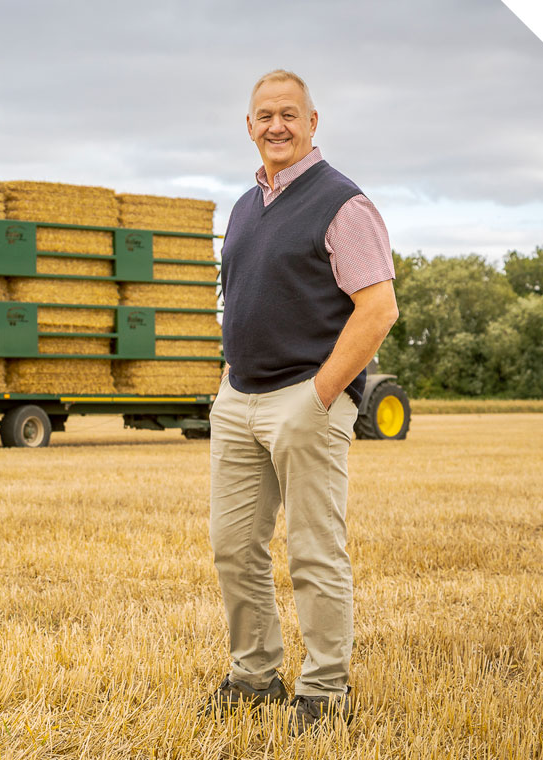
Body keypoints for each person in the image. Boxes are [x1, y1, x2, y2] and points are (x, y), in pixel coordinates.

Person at [203, 69, 399, 736]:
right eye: (264, 115)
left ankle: (324, 692)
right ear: (249, 126)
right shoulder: (241, 206)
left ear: (314, 123)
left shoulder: (344, 203)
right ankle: (254, 676)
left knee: (315, 552)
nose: (276, 126)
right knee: (234, 548)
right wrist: (226, 384)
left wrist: (318, 396)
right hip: (239, 399)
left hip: (305, 400)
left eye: (290, 114)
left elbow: (378, 309)